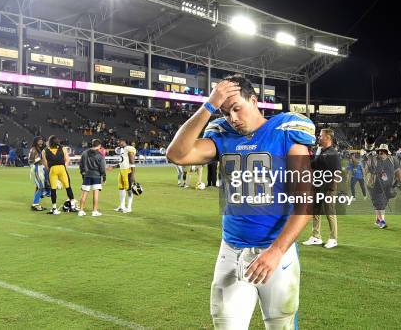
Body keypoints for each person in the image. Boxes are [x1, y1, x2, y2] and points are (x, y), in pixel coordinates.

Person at [166, 75, 315, 329]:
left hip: (276, 254)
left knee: (282, 325)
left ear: (254, 101)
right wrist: (208, 106)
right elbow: (176, 155)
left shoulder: (286, 132)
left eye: (237, 108)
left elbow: (306, 202)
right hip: (232, 252)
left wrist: (276, 251)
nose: (232, 118)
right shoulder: (222, 136)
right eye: (225, 112)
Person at [302, 128, 342, 249]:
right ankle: (316, 236)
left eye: (321, 136)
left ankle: (333, 238)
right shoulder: (320, 151)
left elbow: (337, 171)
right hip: (318, 186)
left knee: (330, 212)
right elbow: (313, 165)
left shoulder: (333, 153)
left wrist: (332, 188)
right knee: (316, 211)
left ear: (328, 138)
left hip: (328, 188)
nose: (319, 137)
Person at [367, 143, 401, 229]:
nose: (381, 153)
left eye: (383, 151)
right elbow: (368, 166)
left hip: (388, 186)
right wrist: (369, 159)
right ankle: (382, 222)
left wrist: (400, 181)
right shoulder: (374, 160)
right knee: (379, 203)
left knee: (383, 203)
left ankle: (377, 220)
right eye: (380, 151)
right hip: (374, 185)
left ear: (387, 152)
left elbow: (398, 170)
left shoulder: (393, 160)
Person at [42, 135, 78, 214]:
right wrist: (63, 168)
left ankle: (54, 209)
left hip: (52, 170)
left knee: (53, 189)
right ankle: (72, 206)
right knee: (68, 187)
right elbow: (67, 160)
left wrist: (51, 170)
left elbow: (45, 164)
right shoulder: (63, 148)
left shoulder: (44, 150)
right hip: (62, 169)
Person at [78, 139, 106, 217]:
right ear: (99, 146)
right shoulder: (100, 155)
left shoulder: (84, 153)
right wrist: (104, 177)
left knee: (84, 193)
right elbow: (102, 168)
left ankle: (81, 210)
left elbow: (81, 165)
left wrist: (82, 173)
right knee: (96, 194)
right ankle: (94, 211)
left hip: (87, 175)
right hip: (96, 176)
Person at [114, 138, 137, 213]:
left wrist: (133, 174)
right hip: (121, 171)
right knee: (121, 188)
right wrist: (113, 167)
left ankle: (129, 207)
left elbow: (132, 162)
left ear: (123, 142)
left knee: (129, 189)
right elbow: (122, 162)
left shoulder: (129, 148)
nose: (118, 144)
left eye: (119, 142)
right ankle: (121, 206)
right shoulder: (122, 150)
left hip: (127, 171)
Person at [28, 136, 47, 211]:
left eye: (42, 140)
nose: (41, 142)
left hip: (41, 168)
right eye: (39, 140)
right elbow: (30, 161)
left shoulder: (40, 149)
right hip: (36, 168)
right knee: (41, 187)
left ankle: (36, 202)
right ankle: (35, 204)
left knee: (40, 187)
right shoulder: (33, 149)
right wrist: (40, 157)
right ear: (36, 141)